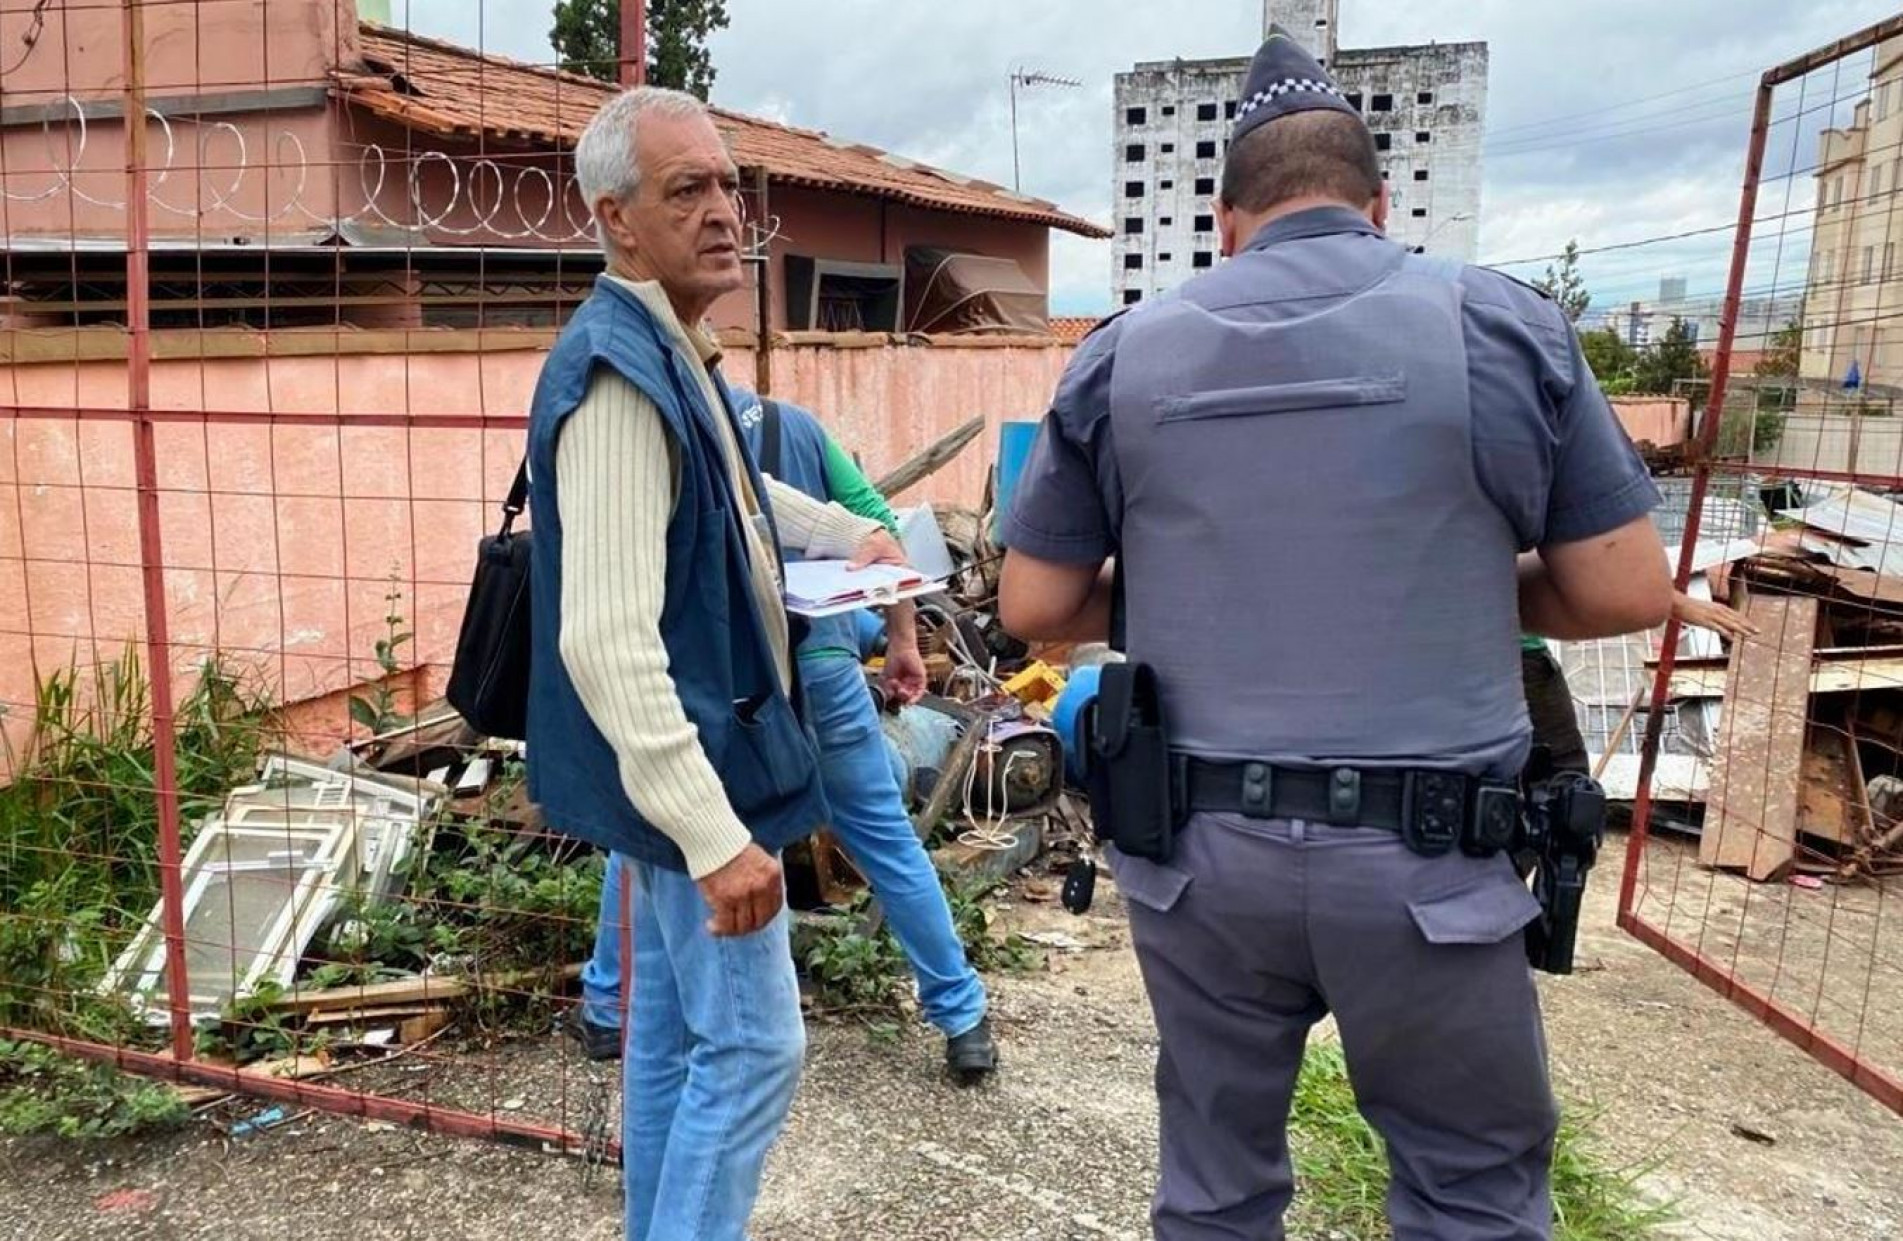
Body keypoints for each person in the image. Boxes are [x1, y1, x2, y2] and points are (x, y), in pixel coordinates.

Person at [996, 26, 1673, 1241]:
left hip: (1202, 863)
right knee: (1471, 1194)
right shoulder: (1498, 327)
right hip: (1428, 868)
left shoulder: (1120, 354)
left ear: (1222, 220)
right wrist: (1449, 575)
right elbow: (1625, 586)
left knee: (1213, 1192)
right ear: (1379, 204)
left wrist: (1209, 577)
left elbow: (1034, 609)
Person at [525, 85, 901, 1241]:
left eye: (728, 184)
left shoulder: (668, 352)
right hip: (699, 771)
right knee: (755, 1051)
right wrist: (713, 834)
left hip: (692, 756)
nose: (724, 210)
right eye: (686, 189)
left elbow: (738, 485)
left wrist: (849, 536)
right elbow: (602, 635)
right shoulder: (618, 375)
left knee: (677, 1039)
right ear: (617, 219)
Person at [578, 391, 997, 1081]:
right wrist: (902, 643)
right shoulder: (797, 428)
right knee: (885, 840)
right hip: (822, 667)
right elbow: (880, 529)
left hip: (721, 682)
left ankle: (606, 1005)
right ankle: (962, 1016)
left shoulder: (661, 424)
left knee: (648, 834)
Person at [1523, 592, 1757, 773]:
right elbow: (1577, 563)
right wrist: (1675, 604)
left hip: (1506, 643)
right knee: (1563, 779)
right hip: (1517, 651)